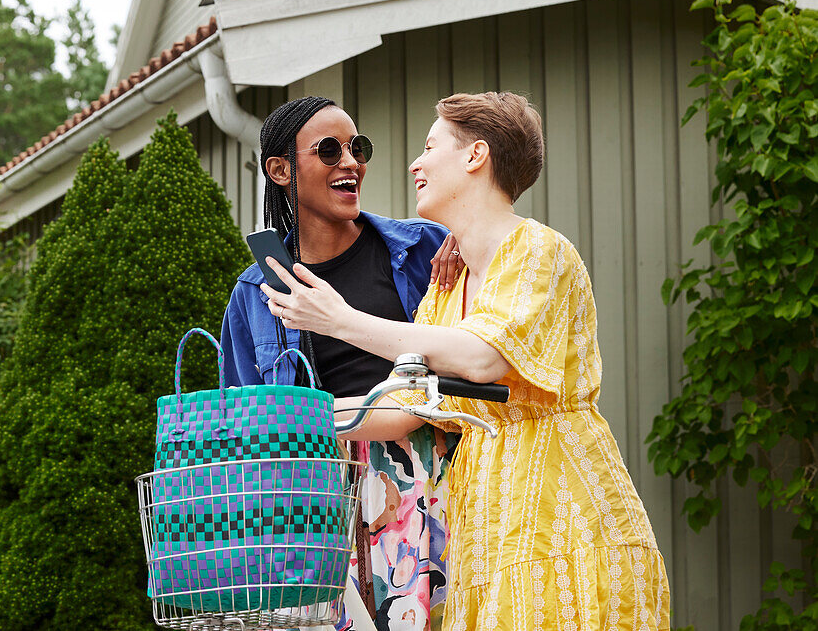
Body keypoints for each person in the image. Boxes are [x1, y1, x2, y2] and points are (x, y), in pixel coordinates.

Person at [260, 92, 671, 630]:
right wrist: (278, 420)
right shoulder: (446, 289)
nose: (415, 163)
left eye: (431, 147)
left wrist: (339, 320)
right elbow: (404, 404)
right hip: (485, 535)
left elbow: (482, 357)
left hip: (565, 528)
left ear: (475, 157)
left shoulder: (538, 250)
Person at [220, 96, 462, 631]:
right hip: (317, 500)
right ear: (281, 170)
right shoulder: (255, 292)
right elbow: (240, 422)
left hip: (430, 480)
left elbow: (473, 345)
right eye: (329, 150)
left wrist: (467, 244)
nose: (349, 162)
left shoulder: (424, 249)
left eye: (357, 147)